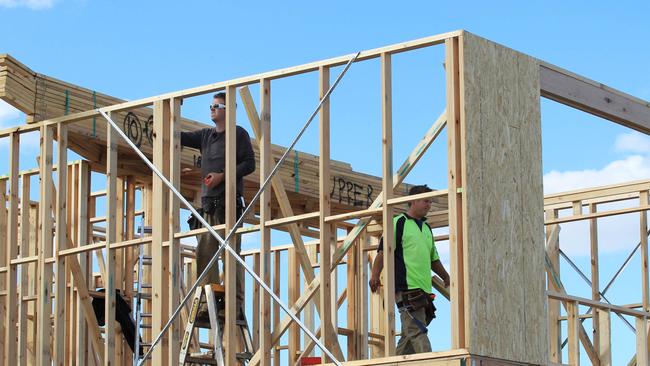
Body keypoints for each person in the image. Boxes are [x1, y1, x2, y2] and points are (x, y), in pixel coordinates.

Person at [181, 91, 255, 319]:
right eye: (211, 105)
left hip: (229, 204)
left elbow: (249, 164)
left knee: (230, 254)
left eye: (217, 106)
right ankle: (210, 302)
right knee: (205, 254)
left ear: (228, 111)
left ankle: (233, 305)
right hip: (208, 206)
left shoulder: (237, 134)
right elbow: (182, 137)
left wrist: (222, 176)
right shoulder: (206, 136)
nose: (212, 108)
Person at [368, 184, 450, 355]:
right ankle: (428, 361)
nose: (429, 205)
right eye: (426, 201)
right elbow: (383, 253)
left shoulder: (426, 228)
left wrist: (446, 276)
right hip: (406, 288)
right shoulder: (398, 223)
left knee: (409, 334)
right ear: (413, 201)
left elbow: (433, 259)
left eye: (430, 202)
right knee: (418, 330)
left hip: (424, 290)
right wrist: (375, 275)